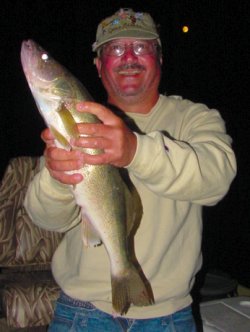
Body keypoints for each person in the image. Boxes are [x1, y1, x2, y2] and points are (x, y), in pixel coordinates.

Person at [24, 8, 236, 332]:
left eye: (141, 47)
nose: (129, 58)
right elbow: (46, 219)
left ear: (159, 58)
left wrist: (134, 151)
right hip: (80, 312)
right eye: (115, 49)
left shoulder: (195, 119)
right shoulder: (76, 124)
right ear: (98, 64)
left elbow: (217, 177)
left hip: (169, 316)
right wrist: (57, 178)